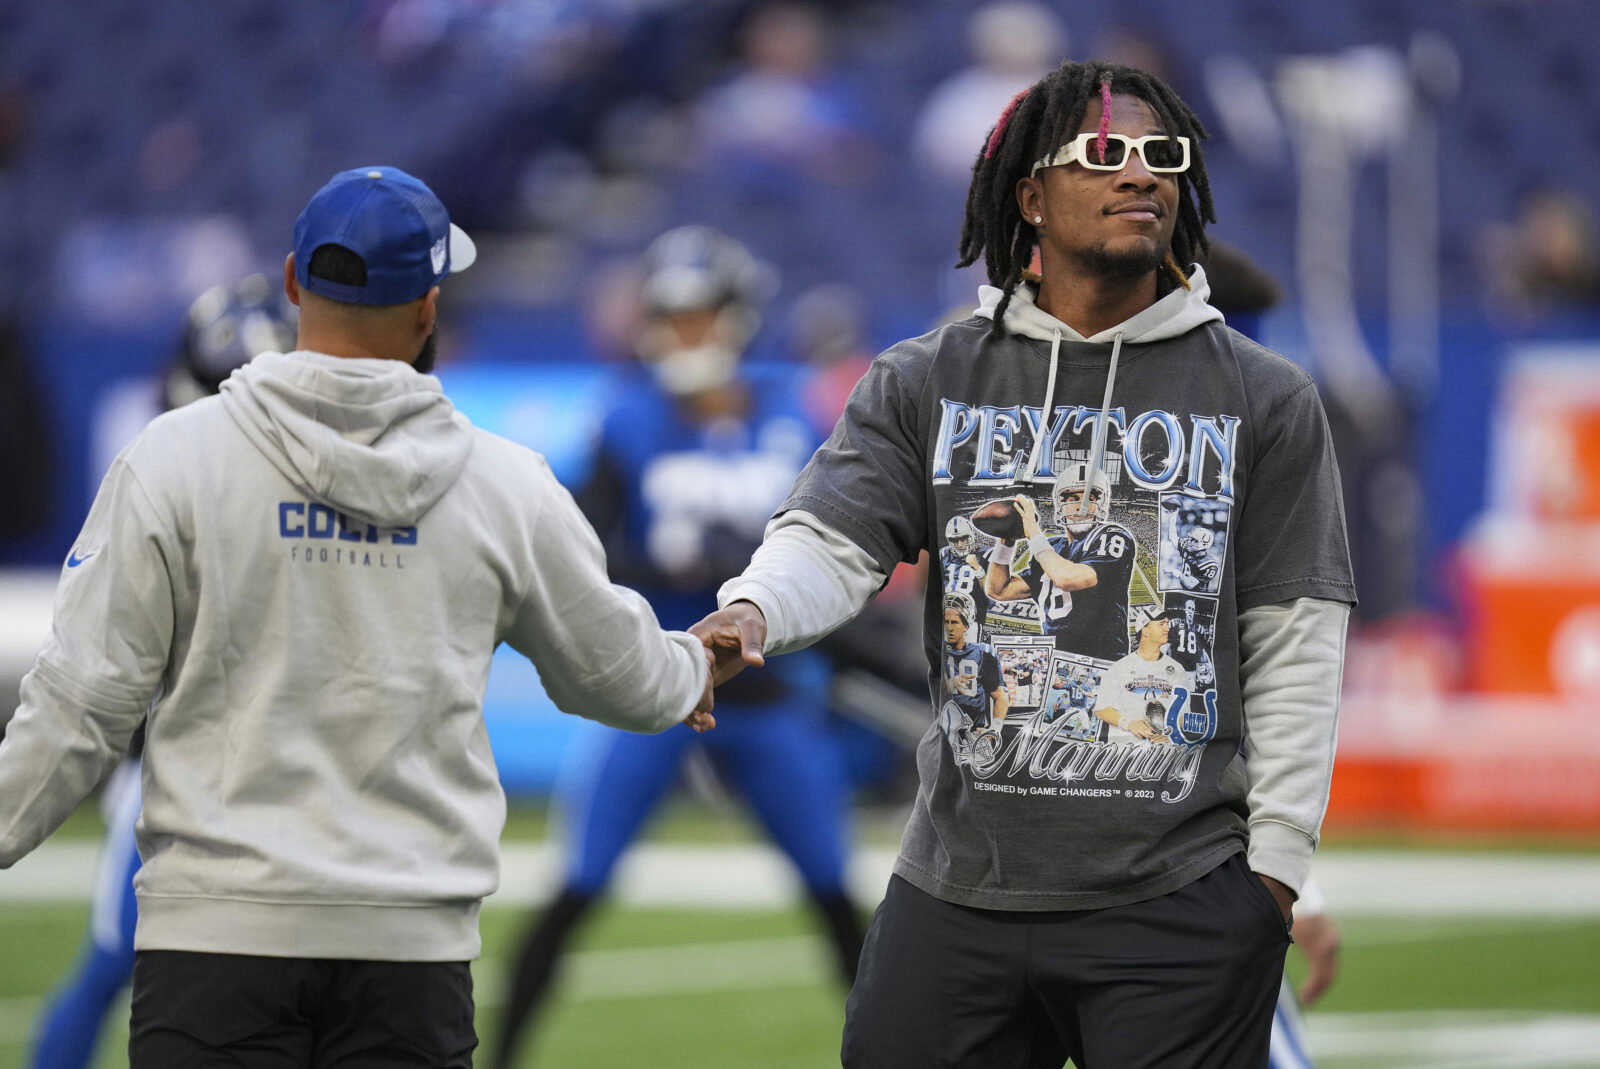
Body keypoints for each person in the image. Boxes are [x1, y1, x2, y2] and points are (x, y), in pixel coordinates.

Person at [692, 60, 1354, 1067]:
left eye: (1160, 156)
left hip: (1176, 894)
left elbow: (1295, 636)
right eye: (1104, 154)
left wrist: (1275, 875)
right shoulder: (929, 375)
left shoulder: (1261, 395)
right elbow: (831, 539)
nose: (1140, 175)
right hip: (958, 889)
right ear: (1030, 196)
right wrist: (751, 612)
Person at [0, 165, 715, 1069]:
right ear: (428, 308)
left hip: (214, 942)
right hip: (406, 955)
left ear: (294, 283)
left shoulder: (173, 458)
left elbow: (82, 701)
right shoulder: (506, 483)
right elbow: (621, 675)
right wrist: (701, 662)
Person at [487, 224, 865, 1069]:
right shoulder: (628, 417)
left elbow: (837, 546)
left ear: (735, 316)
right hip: (659, 687)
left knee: (837, 899)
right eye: (674, 316)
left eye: (701, 315)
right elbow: (581, 548)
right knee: (576, 889)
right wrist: (659, 559)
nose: (687, 334)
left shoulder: (788, 409)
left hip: (767, 693)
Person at [26, 275, 297, 1069]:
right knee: (124, 963)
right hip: (178, 765)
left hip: (289, 763)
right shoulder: (162, 486)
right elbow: (95, 669)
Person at [984, 462, 1138, 661]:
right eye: (1073, 498)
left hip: (1100, 661)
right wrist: (1006, 539)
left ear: (1101, 504)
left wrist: (1032, 530)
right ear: (1060, 504)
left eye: (1090, 498)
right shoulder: (1052, 547)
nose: (1081, 505)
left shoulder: (1111, 536)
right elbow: (998, 590)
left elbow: (1069, 579)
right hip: (1056, 660)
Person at [1092, 607, 1190, 744]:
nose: (1167, 628)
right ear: (1145, 630)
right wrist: (1128, 723)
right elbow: (1101, 709)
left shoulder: (1177, 669)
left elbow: (1184, 713)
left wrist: (1171, 733)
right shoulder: (1120, 667)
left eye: (1167, 623)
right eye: (1161, 624)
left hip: (1162, 754)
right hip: (1126, 754)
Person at [938, 591, 1009, 766]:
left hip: (974, 733)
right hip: (943, 733)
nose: (949, 627)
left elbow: (1001, 697)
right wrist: (948, 682)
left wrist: (995, 729)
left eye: (954, 622)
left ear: (966, 626)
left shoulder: (983, 654)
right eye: (945, 622)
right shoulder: (937, 650)